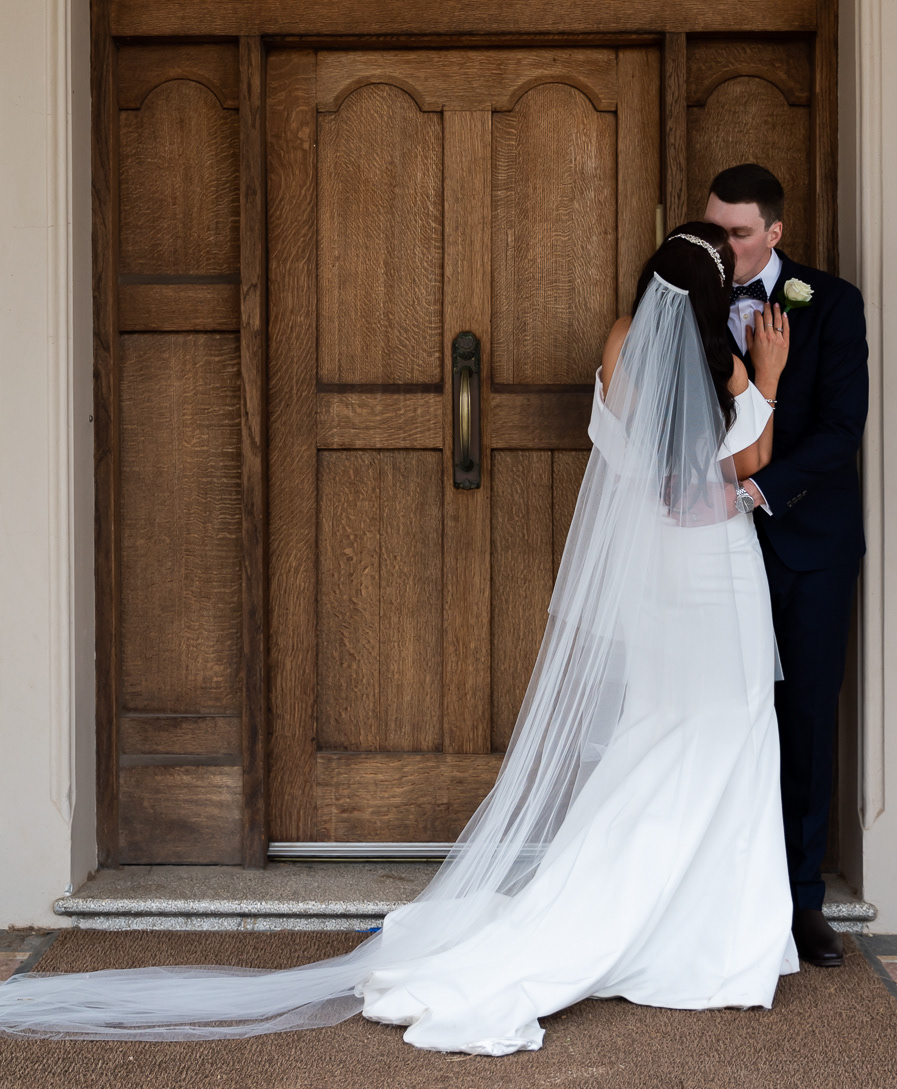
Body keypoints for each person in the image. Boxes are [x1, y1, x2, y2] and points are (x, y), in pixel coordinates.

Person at [0, 223, 795, 1055]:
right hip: (713, 575)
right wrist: (768, 377)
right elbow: (747, 460)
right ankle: (705, 929)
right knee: (726, 732)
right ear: (713, 296)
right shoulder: (724, 366)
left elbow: (632, 454)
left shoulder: (624, 342)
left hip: (654, 584)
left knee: (657, 735)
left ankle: (633, 906)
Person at [704, 165, 869, 970]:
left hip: (810, 546)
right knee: (722, 715)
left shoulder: (831, 302)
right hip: (711, 553)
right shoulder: (690, 300)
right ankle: (722, 888)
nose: (724, 245)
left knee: (803, 716)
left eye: (738, 233)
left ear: (774, 232)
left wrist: (757, 490)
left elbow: (842, 427)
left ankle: (802, 900)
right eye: (716, 229)